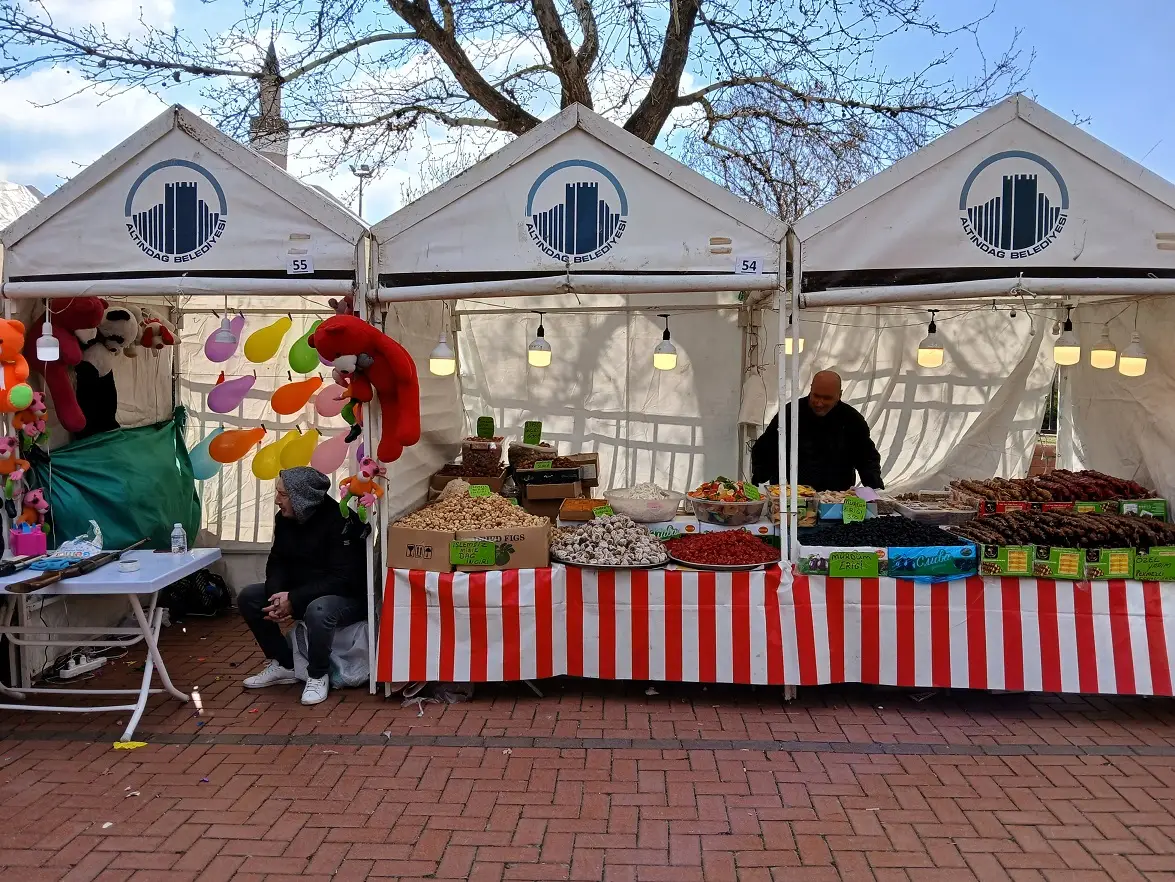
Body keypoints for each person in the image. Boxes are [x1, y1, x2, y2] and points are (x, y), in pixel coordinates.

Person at [237, 466, 367, 705]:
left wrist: (294, 599)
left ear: (303, 497)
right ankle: (284, 663)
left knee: (318, 609)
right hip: (302, 589)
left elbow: (343, 579)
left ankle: (318, 674)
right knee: (249, 597)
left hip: (345, 596)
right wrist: (276, 596)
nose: (277, 500)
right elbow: (277, 561)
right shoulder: (285, 520)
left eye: (283, 495)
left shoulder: (341, 521)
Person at [750, 369, 884, 491]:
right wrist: (759, 475)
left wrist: (874, 487)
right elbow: (767, 446)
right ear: (810, 390)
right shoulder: (791, 413)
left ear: (839, 395)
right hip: (794, 495)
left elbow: (866, 458)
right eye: (816, 396)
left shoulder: (852, 420)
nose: (819, 403)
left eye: (827, 398)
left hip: (836, 497)